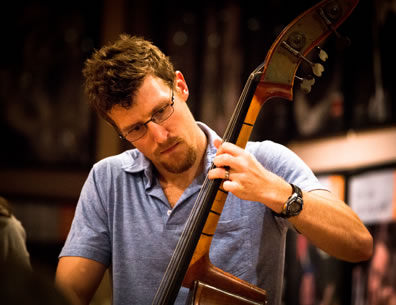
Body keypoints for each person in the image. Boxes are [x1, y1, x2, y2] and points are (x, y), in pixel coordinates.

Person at [55, 34, 373, 305]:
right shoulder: (107, 180)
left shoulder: (264, 161)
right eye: (137, 129)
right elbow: (67, 293)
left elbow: (358, 243)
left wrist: (275, 192)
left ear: (180, 86)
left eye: (162, 111)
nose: (159, 136)